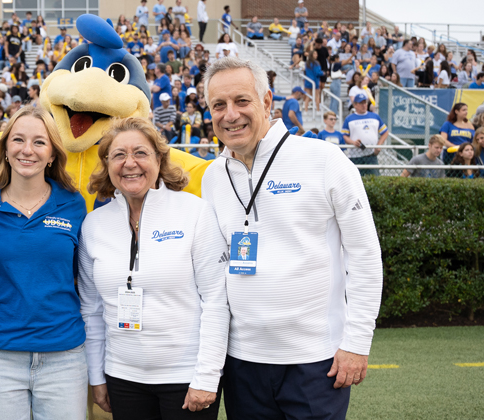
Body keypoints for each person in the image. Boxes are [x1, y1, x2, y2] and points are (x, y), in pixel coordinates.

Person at [200, 56, 382, 419]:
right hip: (242, 362)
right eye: (218, 105)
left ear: (267, 102)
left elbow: (365, 257)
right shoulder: (213, 176)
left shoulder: (325, 159)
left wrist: (357, 342)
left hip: (315, 362)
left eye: (241, 101)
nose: (230, 114)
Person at [80, 116, 228, 419]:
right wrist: (97, 376)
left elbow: (216, 300)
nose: (129, 163)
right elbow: (91, 309)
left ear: (160, 159)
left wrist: (207, 376)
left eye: (140, 153)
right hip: (122, 377)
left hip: (186, 377)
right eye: (118, 155)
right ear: (107, 164)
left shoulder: (195, 212)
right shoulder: (93, 224)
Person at [0, 106, 88, 420]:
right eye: (18, 140)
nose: (27, 150)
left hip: (64, 356)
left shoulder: (74, 205)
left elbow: (81, 281)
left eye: (39, 142)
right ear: (5, 149)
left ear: (52, 154)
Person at [342, 94, 388, 176]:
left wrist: (379, 145)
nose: (364, 105)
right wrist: (353, 142)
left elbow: (385, 132)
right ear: (355, 105)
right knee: (355, 179)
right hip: (355, 156)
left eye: (365, 102)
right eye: (361, 103)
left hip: (371, 154)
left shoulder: (375, 116)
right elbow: (344, 135)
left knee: (375, 179)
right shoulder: (349, 118)